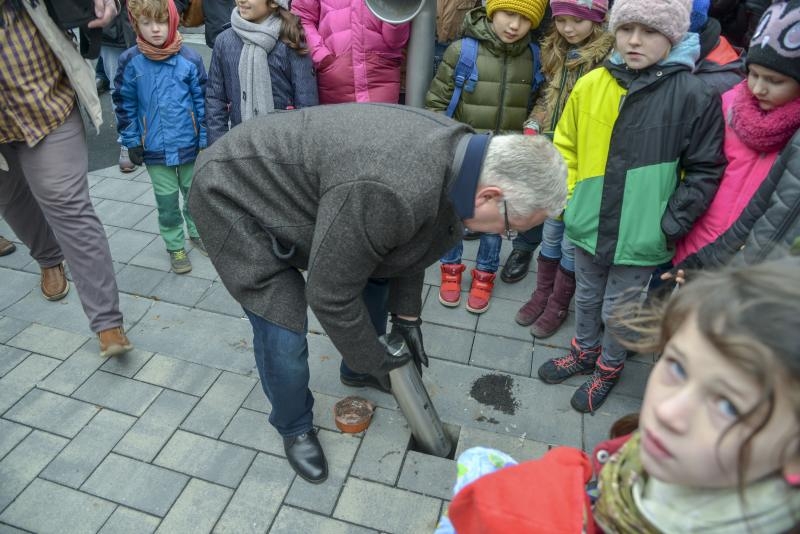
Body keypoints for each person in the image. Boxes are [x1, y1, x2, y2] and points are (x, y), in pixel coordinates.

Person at [188, 103, 567, 484]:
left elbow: (412, 241)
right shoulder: (393, 187)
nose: (503, 237)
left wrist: (407, 317)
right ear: (489, 195)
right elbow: (329, 294)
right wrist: (378, 359)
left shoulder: (463, 160)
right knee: (282, 325)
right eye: (510, 227)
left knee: (371, 274)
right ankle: (293, 425)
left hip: (319, 196)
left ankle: (355, 370)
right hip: (235, 195)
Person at [436, 257, 800, 533]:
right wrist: (582, 474)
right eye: (677, 367)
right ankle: (586, 357)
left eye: (728, 405)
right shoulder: (662, 458)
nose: (669, 411)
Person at [537, 0, 726, 413]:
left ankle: (608, 365)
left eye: (650, 31)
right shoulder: (591, 85)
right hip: (586, 222)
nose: (635, 40)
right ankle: (584, 351)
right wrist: (569, 201)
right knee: (586, 297)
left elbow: (704, 168)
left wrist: (670, 221)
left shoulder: (694, 95)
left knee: (620, 308)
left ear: (673, 36)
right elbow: (564, 145)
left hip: (642, 233)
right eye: (626, 29)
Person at [0, 0, 134, 358]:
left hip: (47, 105)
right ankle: (48, 259)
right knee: (11, 201)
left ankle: (108, 323)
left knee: (69, 206)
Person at [425, 0, 548, 314]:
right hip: (464, 152)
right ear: (493, 10)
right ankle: (450, 269)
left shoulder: (535, 57)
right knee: (453, 214)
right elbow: (435, 103)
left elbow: (541, 99)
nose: (514, 25)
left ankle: (485, 274)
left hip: (505, 157)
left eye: (524, 18)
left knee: (497, 219)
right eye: (508, 14)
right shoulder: (461, 51)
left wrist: (532, 127)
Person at [673, 0, 800, 273]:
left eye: (775, 81)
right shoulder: (726, 105)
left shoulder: (794, 141)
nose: (758, 88)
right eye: (753, 74)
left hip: (746, 263)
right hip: (694, 247)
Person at [513, 0, 613, 337]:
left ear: (596, 20)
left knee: (573, 236)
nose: (568, 29)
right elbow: (547, 98)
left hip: (586, 162)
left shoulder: (606, 61)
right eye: (562, 21)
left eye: (576, 21)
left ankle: (558, 301)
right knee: (551, 231)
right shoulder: (556, 51)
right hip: (554, 157)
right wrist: (534, 123)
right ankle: (541, 291)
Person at [115, 0, 208, 274]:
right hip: (154, 147)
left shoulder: (189, 59)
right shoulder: (130, 61)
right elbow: (124, 103)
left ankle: (197, 230)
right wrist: (131, 140)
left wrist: (205, 138)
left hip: (189, 144)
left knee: (195, 196)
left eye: (162, 22)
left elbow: (203, 101)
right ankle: (174, 244)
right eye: (147, 23)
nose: (155, 30)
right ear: (136, 24)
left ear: (174, 22)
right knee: (167, 203)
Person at [206, 0, 318, 145]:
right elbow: (215, 99)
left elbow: (306, 103)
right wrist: (219, 148)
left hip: (283, 149)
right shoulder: (224, 42)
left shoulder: (290, 39)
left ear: (273, 2)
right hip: (238, 147)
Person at [291, 0, 410, 104]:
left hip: (381, 78)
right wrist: (321, 56)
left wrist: (396, 13)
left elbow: (396, 41)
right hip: (334, 78)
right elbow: (301, 18)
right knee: (337, 129)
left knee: (381, 128)